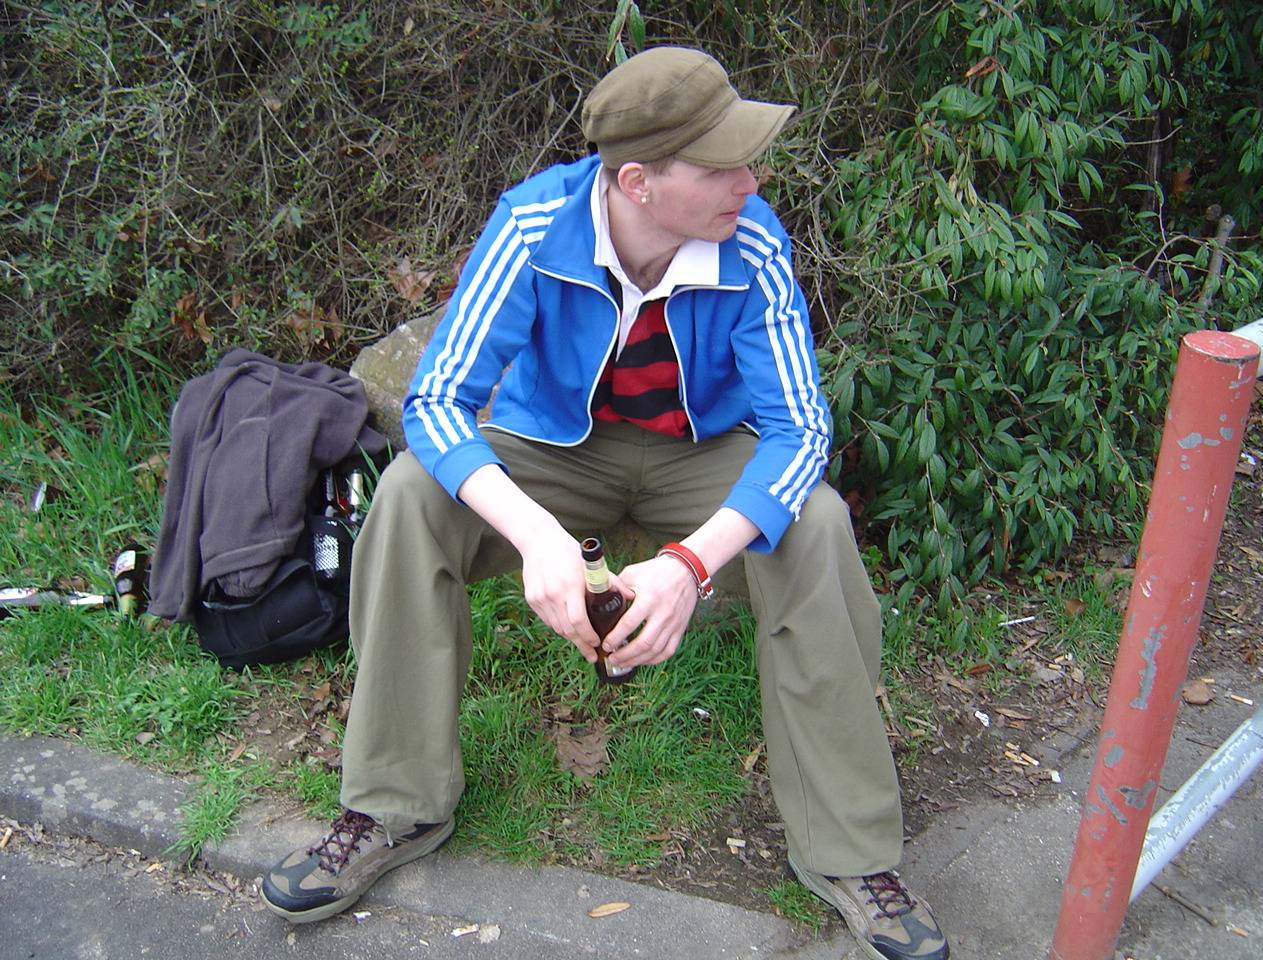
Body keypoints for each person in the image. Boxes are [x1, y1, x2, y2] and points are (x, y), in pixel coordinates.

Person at [260, 46, 949, 960]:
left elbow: (800, 431)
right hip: (558, 446)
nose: (750, 182)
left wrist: (690, 564)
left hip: (702, 451)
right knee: (411, 496)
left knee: (815, 522)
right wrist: (536, 535)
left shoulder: (752, 240)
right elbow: (437, 401)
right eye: (722, 166)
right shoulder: (533, 224)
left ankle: (850, 851)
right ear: (638, 182)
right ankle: (394, 805)